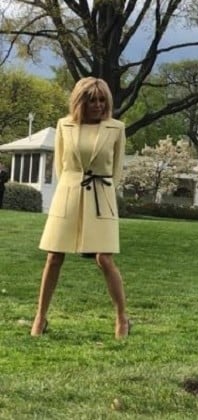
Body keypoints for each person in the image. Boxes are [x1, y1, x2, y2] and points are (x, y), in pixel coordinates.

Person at [32, 77, 131, 339]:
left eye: (102, 100)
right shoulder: (64, 125)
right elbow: (61, 167)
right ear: (80, 101)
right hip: (69, 194)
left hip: (102, 196)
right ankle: (40, 317)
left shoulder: (116, 128)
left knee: (104, 259)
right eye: (92, 100)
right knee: (53, 257)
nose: (98, 105)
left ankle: (122, 317)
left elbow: (117, 169)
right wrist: (69, 188)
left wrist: (107, 193)